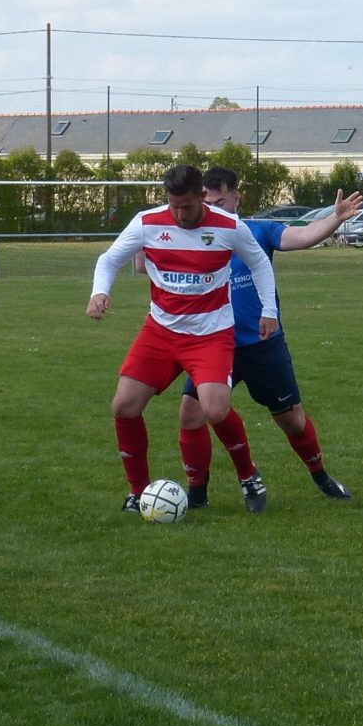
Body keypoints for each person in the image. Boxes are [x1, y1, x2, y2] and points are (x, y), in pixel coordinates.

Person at [88, 165, 279, 514]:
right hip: (160, 331)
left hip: (211, 334)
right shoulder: (148, 222)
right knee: (123, 406)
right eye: (173, 205)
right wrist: (99, 292)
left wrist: (270, 310)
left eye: (187, 206)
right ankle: (137, 491)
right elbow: (109, 259)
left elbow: (259, 264)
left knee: (215, 410)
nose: (179, 214)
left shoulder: (229, 227)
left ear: (201, 198)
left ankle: (248, 475)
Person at [177, 167, 361, 509]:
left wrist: (335, 219)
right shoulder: (192, 235)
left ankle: (320, 474)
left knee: (291, 420)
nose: (213, 206)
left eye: (220, 200)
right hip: (214, 346)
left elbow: (302, 237)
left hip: (263, 345)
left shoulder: (257, 230)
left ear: (236, 196)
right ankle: (197, 494)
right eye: (207, 200)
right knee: (191, 412)